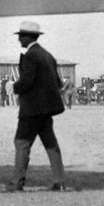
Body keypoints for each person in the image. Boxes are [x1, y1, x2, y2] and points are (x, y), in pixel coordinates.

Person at [5, 21, 67, 192]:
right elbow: (58, 82)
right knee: (51, 144)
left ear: (28, 37)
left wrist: (13, 86)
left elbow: (26, 82)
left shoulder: (31, 55)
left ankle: (17, 182)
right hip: (47, 110)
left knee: (21, 143)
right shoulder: (48, 55)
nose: (19, 40)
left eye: (20, 36)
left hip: (31, 109)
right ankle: (59, 182)